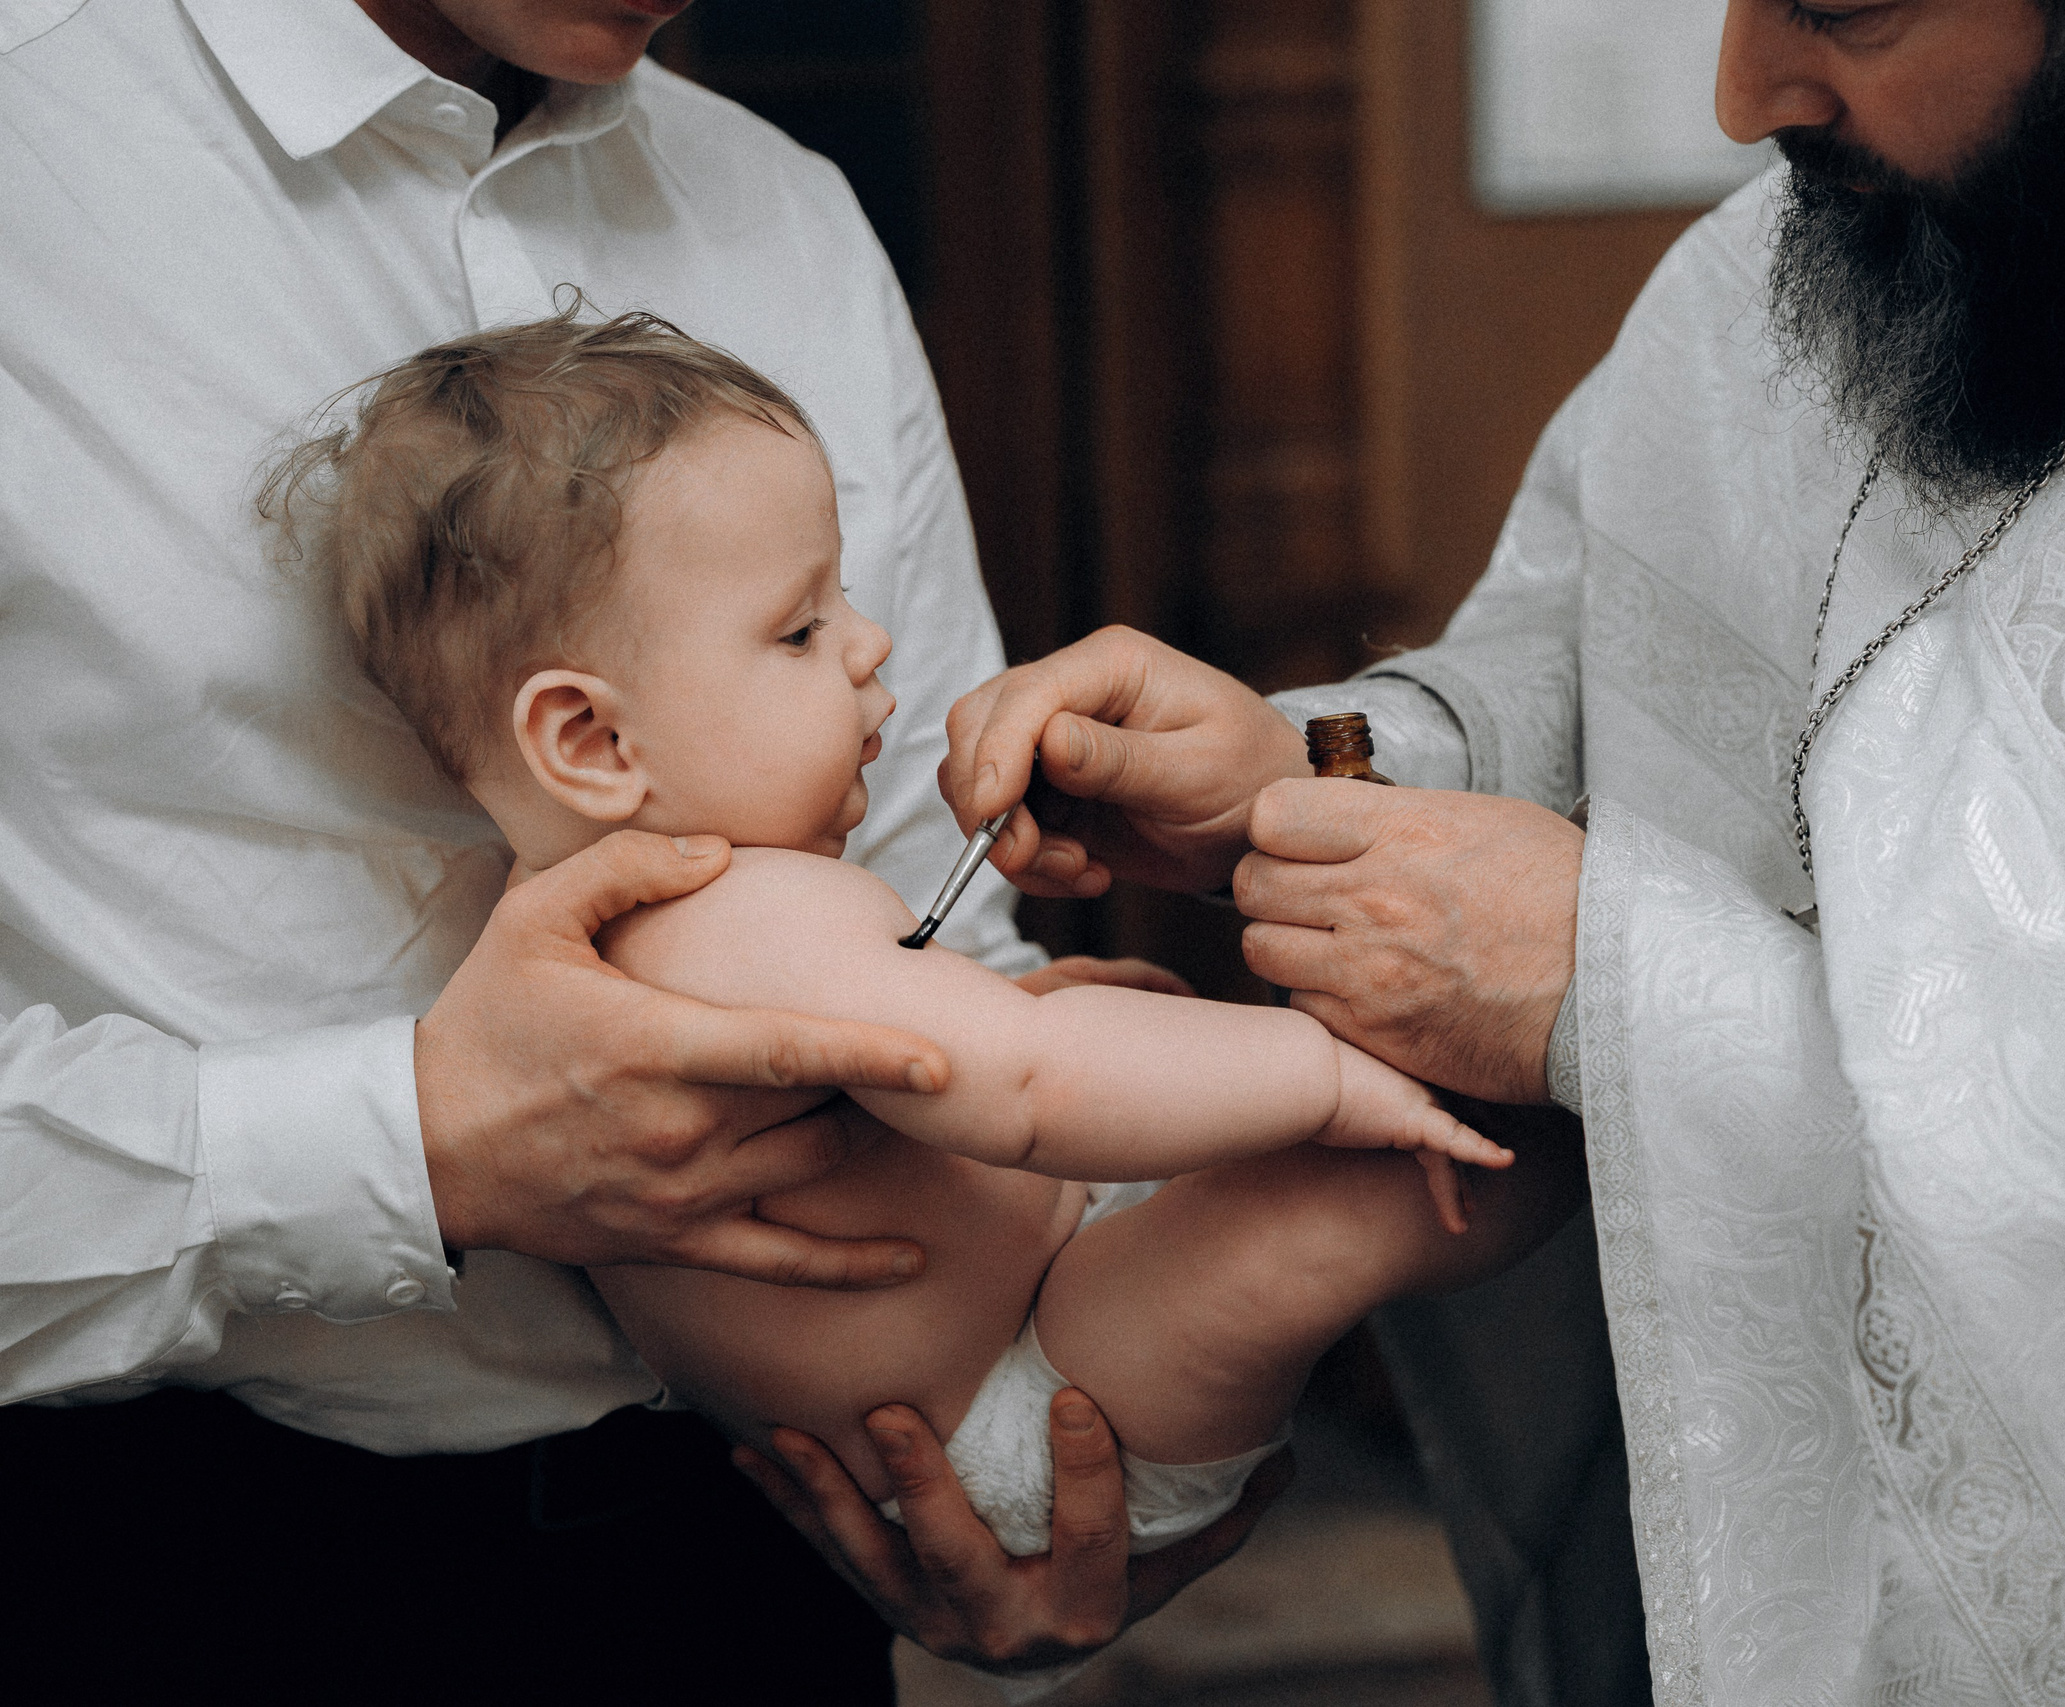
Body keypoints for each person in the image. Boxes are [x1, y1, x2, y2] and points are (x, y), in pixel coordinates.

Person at [870, 0, 2065, 1698]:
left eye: (1841, 7)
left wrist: (1610, 983)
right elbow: (1623, 669)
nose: (1741, 93)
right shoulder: (1825, 244)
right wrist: (1306, 772)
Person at [0, 0, 1252, 1690]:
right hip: (141, 1557)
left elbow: (915, 892)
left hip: (752, 1542)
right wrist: (406, 1145)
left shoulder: (784, 211)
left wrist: (1069, 1445)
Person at [263, 311, 1579, 1641]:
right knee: (1344, 1207)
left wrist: (1044, 1016)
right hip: (1020, 1416)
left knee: (1276, 1142)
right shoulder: (725, 916)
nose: (870, 644)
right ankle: (1570, 1121)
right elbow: (1015, 1085)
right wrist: (1327, 1080)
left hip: (1032, 1325)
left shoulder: (599, 937)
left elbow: (940, 1081)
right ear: (593, 738)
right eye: (797, 628)